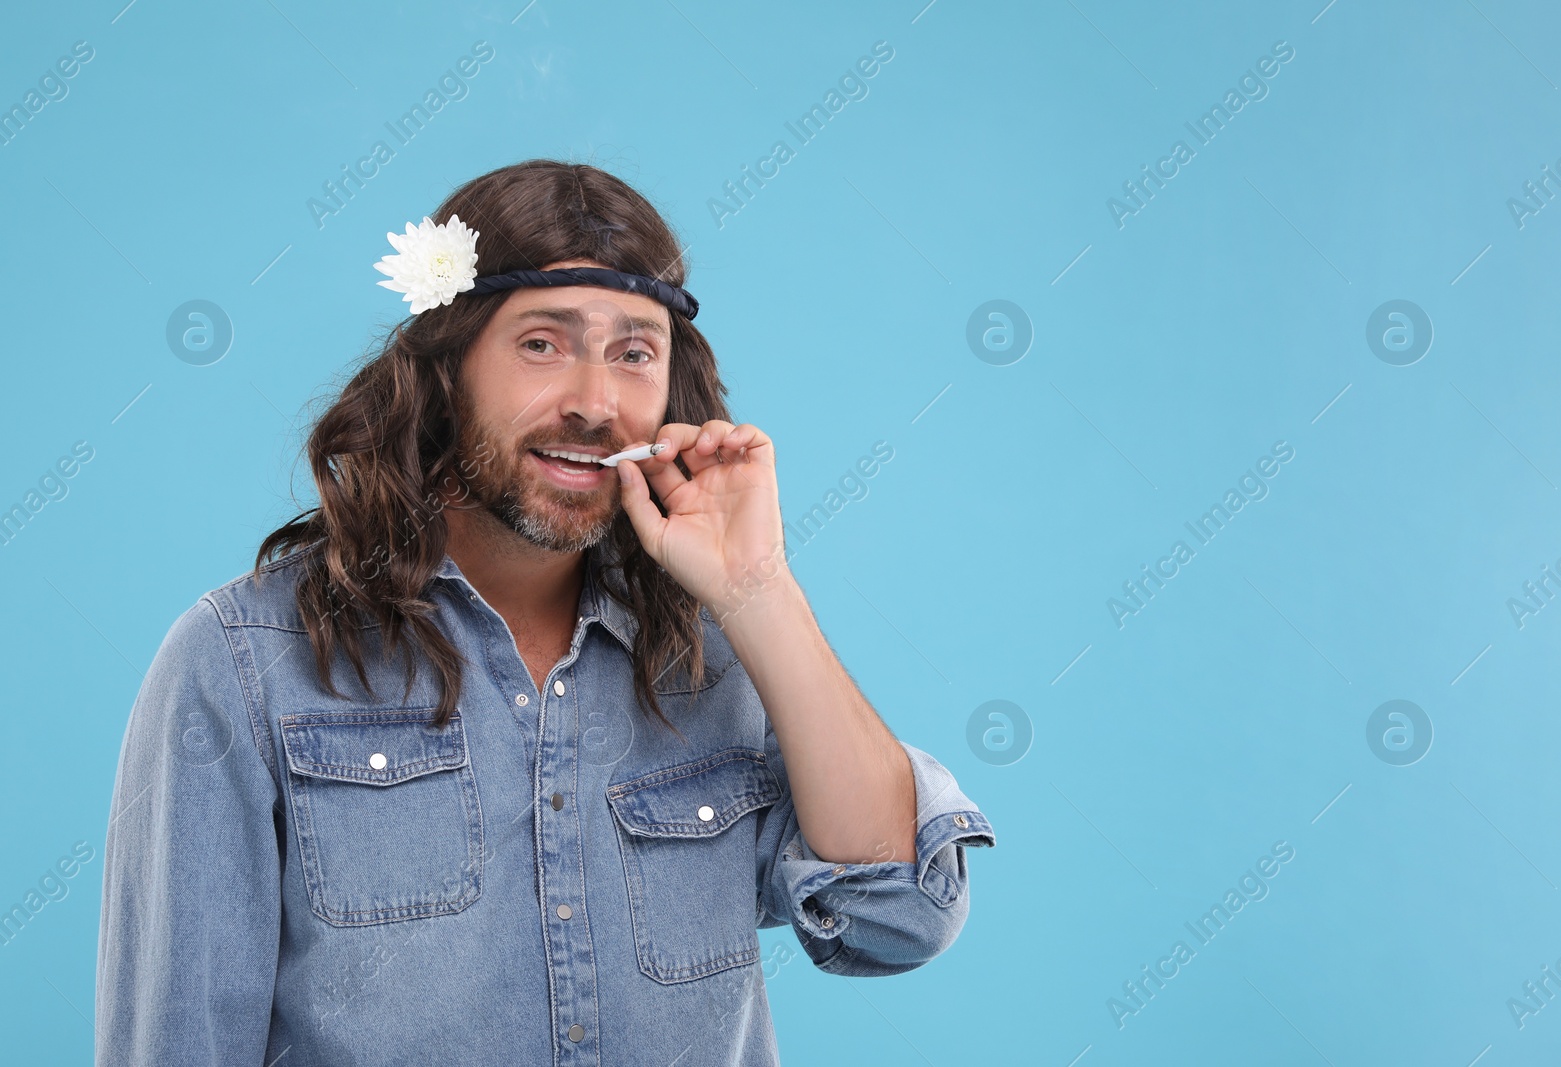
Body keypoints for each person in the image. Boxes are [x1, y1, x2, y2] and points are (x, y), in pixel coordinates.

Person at [94, 159, 995, 1066]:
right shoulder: (243, 665)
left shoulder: (717, 662)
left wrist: (760, 593)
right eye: (542, 343)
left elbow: (901, 913)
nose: (594, 403)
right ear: (446, 370)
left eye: (634, 351)